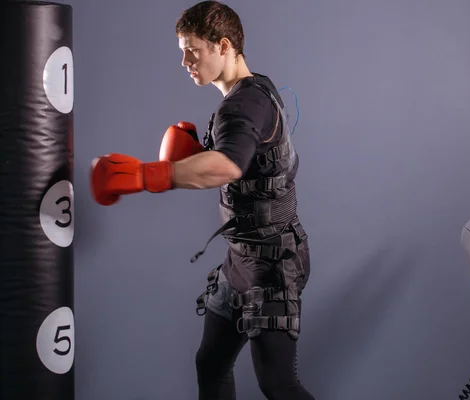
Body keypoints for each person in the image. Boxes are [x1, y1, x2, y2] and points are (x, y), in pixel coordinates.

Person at [89, 1, 314, 399]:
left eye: (192, 49)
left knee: (278, 385)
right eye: (182, 50)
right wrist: (196, 152)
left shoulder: (245, 104)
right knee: (210, 364)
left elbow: (228, 165)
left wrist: (147, 175)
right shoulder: (253, 88)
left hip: (272, 265)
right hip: (240, 260)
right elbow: (247, 163)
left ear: (223, 45)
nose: (184, 61)